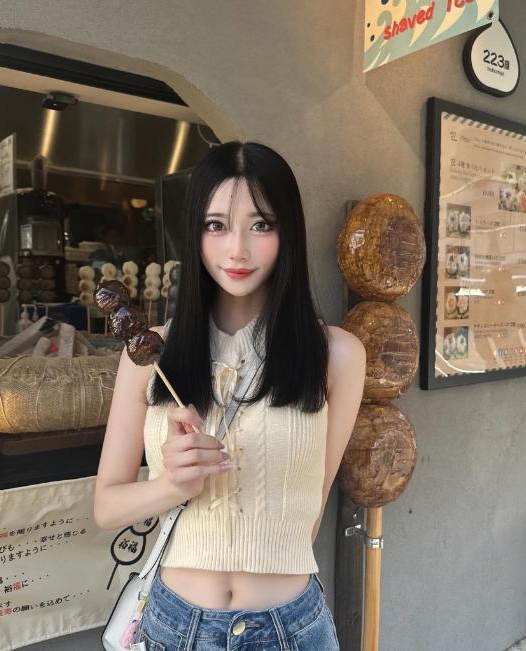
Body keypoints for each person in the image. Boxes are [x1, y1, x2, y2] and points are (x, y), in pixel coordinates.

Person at [94, 141, 366, 650]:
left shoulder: (338, 356)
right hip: (175, 628)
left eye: (261, 225)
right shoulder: (148, 356)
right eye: (216, 225)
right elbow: (106, 506)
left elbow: (313, 505)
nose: (237, 249)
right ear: (194, 233)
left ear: (289, 232)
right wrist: (172, 484)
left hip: (290, 629)